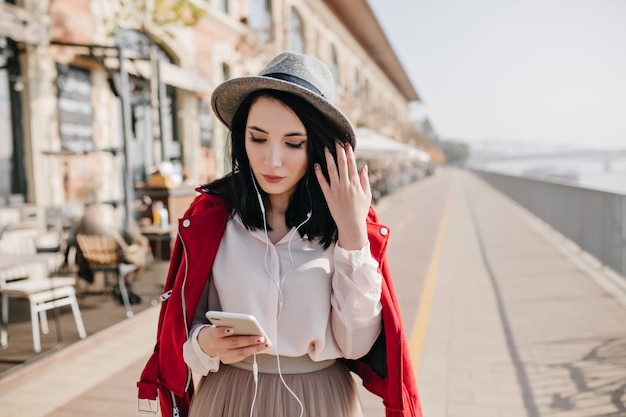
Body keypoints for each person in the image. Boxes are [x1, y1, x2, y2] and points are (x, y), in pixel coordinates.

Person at [137, 52, 422, 417]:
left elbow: (355, 345)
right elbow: (182, 329)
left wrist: (352, 234)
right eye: (258, 139)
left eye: (292, 143)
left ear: (319, 146)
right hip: (227, 398)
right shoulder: (212, 218)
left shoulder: (346, 225)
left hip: (320, 399)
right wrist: (205, 343)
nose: (272, 161)